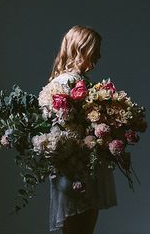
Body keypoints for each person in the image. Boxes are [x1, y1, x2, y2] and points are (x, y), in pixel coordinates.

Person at [47, 25, 117, 234]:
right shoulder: (68, 82)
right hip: (77, 170)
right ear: (81, 49)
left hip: (81, 167)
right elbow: (63, 129)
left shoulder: (78, 81)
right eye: (95, 49)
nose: (99, 55)